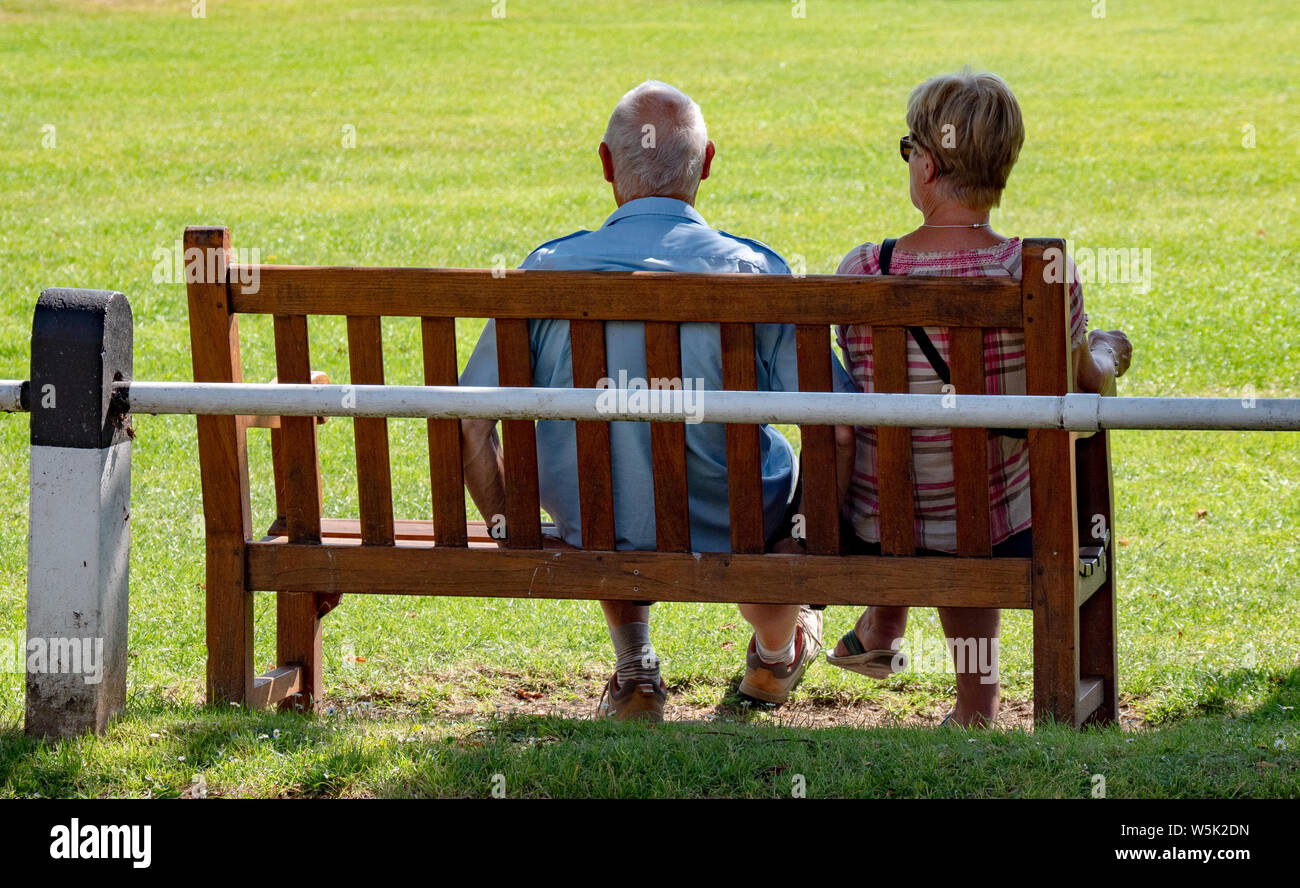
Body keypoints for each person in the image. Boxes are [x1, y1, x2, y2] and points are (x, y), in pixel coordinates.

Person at [458, 80, 856, 722]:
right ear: (707, 164)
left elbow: (468, 422)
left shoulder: (547, 270)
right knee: (766, 482)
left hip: (595, 518)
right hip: (736, 518)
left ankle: (637, 668)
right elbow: (839, 426)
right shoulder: (753, 273)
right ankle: (777, 654)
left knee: (612, 470)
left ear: (607, 164)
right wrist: (803, 539)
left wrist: (513, 527)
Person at [826, 68, 1133, 727]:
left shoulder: (863, 270)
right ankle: (975, 705)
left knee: (925, 465)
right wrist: (1110, 352)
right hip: (1001, 528)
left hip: (880, 522)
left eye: (909, 151)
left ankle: (884, 624)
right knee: (981, 488)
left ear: (927, 165)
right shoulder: (1037, 272)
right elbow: (1085, 383)